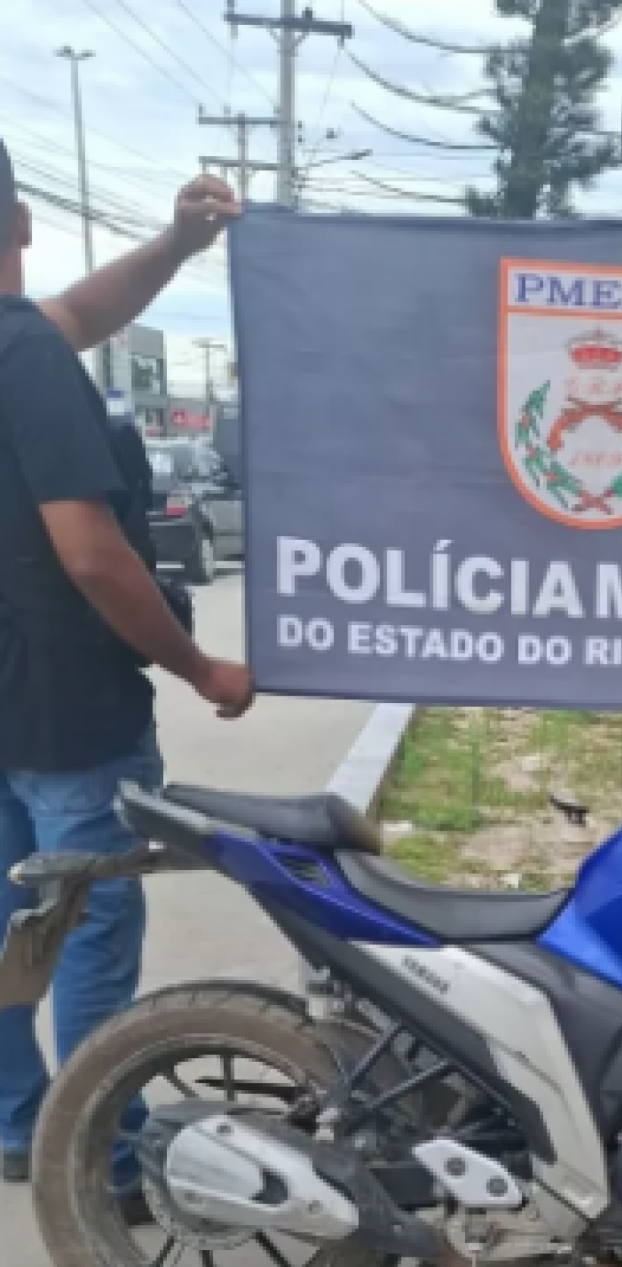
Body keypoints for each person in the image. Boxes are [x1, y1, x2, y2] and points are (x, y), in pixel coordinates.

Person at [0, 140, 253, 1192]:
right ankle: (101, 1159)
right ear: (20, 220)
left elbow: (78, 311)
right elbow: (93, 555)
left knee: (11, 927)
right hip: (67, 715)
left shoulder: (26, 345)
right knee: (89, 927)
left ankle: (21, 1124)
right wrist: (200, 668)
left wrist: (177, 244)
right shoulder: (25, 357)